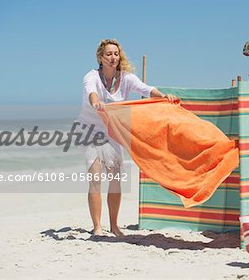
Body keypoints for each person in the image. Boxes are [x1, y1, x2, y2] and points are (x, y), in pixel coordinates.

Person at [76, 39, 178, 236]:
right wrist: (96, 104)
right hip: (90, 129)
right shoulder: (91, 76)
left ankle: (114, 226)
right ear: (100, 57)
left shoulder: (126, 78)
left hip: (111, 129)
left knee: (114, 178)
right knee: (95, 177)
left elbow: (146, 89)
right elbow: (92, 93)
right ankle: (97, 227)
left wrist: (165, 96)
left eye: (116, 54)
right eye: (108, 54)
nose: (113, 57)